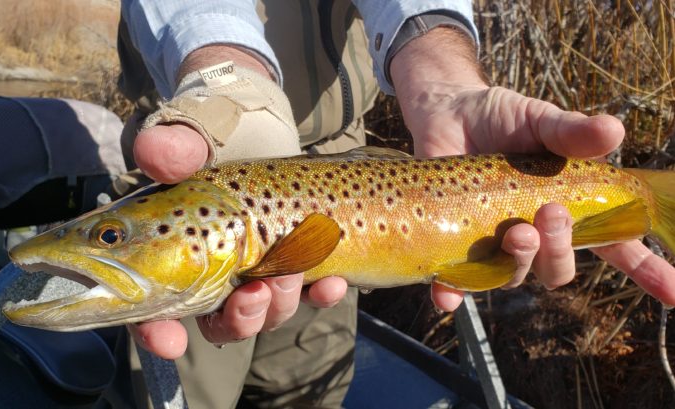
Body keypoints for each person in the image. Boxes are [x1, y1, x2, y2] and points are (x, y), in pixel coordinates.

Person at [111, 1, 675, 408]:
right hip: (210, 145)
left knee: (304, 388)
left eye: (112, 238)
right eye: (112, 238)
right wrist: (226, 74)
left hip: (343, 157)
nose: (114, 241)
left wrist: (440, 69)